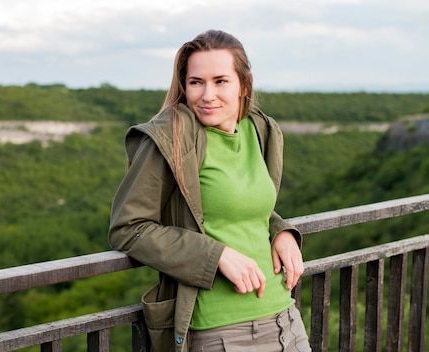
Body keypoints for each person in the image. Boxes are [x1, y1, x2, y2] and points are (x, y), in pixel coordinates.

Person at [108, 29, 311, 352]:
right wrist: (215, 256)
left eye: (220, 81)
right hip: (221, 332)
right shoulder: (172, 138)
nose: (207, 95)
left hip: (284, 318)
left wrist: (280, 229)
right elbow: (128, 228)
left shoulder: (261, 131)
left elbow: (241, 205)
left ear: (244, 84)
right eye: (195, 82)